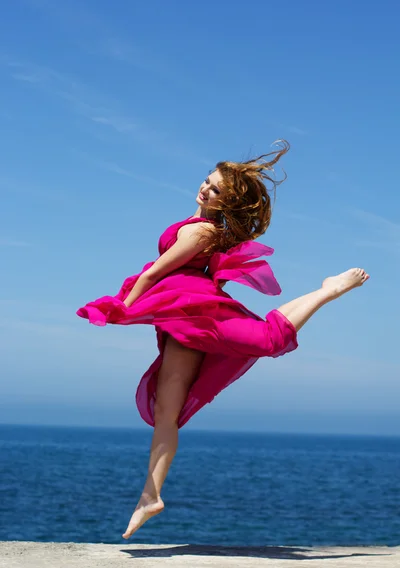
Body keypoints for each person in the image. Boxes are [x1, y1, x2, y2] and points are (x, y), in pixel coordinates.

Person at [77, 140, 369, 539]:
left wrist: (121, 309)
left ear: (225, 203)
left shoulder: (200, 232)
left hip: (199, 313)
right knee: (167, 411)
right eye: (207, 182)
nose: (205, 190)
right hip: (181, 320)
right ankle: (150, 496)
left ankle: (327, 290)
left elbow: (150, 276)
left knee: (267, 339)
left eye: (215, 190)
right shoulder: (198, 224)